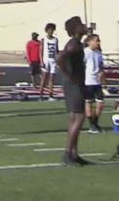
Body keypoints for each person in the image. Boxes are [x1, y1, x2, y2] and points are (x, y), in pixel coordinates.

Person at [57, 16, 91, 166]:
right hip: (73, 84)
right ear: (76, 28)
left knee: (73, 118)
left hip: (73, 83)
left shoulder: (77, 44)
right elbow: (60, 57)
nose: (84, 26)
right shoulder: (73, 45)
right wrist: (68, 74)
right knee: (79, 117)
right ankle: (68, 154)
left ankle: (74, 154)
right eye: (81, 25)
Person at [83, 34, 104, 134]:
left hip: (97, 82)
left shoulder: (99, 53)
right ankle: (92, 124)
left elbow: (100, 66)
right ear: (89, 42)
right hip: (88, 81)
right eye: (96, 40)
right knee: (89, 103)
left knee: (100, 103)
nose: (98, 42)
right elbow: (82, 65)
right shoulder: (85, 52)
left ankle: (95, 123)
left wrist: (102, 77)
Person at [40, 23, 59, 101]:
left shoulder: (55, 40)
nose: (51, 31)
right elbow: (40, 51)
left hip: (53, 61)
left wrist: (58, 60)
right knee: (44, 78)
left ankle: (50, 94)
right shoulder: (43, 40)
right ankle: (41, 93)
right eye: (49, 30)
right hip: (46, 60)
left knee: (52, 78)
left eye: (52, 30)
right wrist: (41, 61)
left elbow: (56, 51)